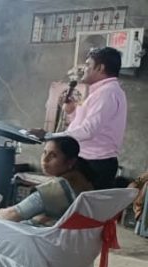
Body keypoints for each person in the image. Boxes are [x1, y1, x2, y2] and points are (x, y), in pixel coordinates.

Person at [30, 47, 127, 190]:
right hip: (87, 160)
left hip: (95, 164)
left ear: (100, 68)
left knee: (79, 202)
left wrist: (49, 136)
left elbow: (88, 131)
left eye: (88, 64)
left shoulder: (107, 93)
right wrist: (71, 112)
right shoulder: (100, 91)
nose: (84, 69)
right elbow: (83, 125)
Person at [0, 136, 93, 227]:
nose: (45, 159)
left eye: (53, 155)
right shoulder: (84, 181)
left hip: (42, 238)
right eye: (44, 152)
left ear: (70, 161)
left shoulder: (54, 190)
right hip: (67, 237)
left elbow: (12, 215)